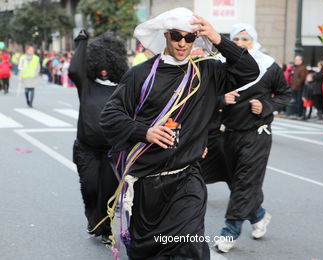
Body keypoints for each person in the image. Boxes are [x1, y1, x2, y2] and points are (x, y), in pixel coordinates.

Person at [99, 8, 259, 260]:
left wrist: (218, 39)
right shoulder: (140, 74)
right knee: (148, 252)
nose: (183, 43)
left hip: (187, 180)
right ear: (166, 36)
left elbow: (249, 70)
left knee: (189, 248)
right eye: (176, 36)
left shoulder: (208, 72)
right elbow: (109, 117)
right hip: (147, 183)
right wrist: (145, 132)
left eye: (190, 37)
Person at [206, 23, 291, 253]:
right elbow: (205, 98)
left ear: (254, 41)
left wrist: (265, 105)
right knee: (235, 181)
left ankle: (229, 232)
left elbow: (285, 94)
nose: (241, 44)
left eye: (246, 39)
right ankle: (259, 215)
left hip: (256, 135)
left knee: (244, 183)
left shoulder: (268, 65)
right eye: (237, 40)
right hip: (226, 133)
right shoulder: (221, 66)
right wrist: (222, 100)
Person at [68, 30, 129, 244]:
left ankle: (104, 228)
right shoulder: (86, 84)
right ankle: (93, 219)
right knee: (91, 187)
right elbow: (75, 69)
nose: (103, 70)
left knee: (110, 192)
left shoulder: (125, 87)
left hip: (114, 151)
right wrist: (82, 42)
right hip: (87, 149)